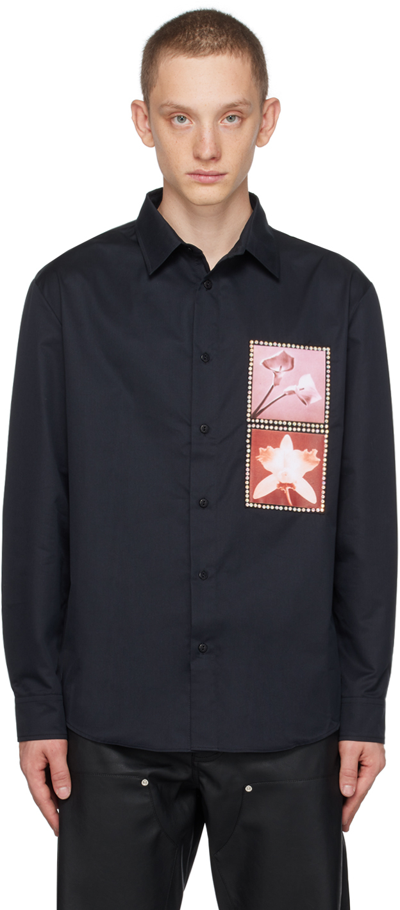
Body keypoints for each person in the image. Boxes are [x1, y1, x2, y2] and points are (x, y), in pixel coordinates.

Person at [1, 9, 397, 910]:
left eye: (232, 116)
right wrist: (38, 706)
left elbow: (365, 516)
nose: (207, 146)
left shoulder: (334, 299)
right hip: (112, 723)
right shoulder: (68, 298)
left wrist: (364, 705)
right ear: (143, 122)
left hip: (287, 720)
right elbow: (35, 518)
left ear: (268, 120)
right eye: (181, 117)